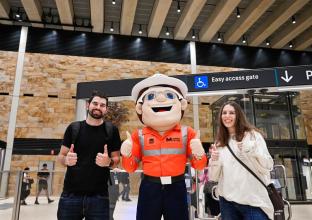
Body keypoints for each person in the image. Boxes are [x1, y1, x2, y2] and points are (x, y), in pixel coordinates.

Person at [121, 73, 207, 220]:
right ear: (140, 108)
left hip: (176, 186)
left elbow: (199, 166)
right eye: (151, 96)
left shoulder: (187, 133)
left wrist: (200, 153)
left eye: (168, 95)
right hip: (150, 187)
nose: (161, 99)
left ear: (182, 104)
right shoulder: (139, 135)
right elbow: (130, 168)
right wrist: (127, 155)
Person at [57, 90, 121, 220]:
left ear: (106, 110)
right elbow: (61, 156)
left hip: (99, 197)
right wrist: (66, 160)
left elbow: (116, 159)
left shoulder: (112, 131)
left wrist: (108, 162)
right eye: (95, 103)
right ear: (88, 105)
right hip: (70, 196)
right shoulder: (74, 128)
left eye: (102, 105)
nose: (98, 107)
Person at [208, 101, 274, 220]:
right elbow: (213, 177)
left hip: (253, 201)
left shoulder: (253, 136)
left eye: (231, 113)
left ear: (238, 115)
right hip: (227, 202)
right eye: (224, 113)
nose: (227, 116)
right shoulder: (220, 142)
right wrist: (214, 160)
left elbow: (268, 165)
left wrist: (251, 150)